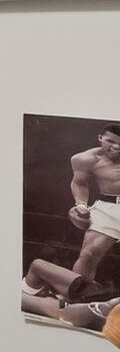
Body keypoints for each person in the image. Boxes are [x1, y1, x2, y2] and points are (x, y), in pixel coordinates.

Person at [64, 123, 120, 291]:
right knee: (88, 254)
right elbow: (79, 183)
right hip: (109, 207)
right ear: (100, 138)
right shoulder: (85, 160)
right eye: (111, 141)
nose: (117, 147)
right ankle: (76, 300)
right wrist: (80, 204)